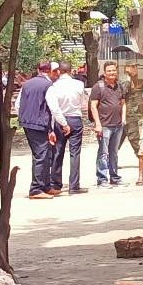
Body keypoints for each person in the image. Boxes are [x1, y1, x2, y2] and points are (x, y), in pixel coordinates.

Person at [18, 61, 59, 199]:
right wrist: (64, 124)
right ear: (50, 71)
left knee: (44, 154)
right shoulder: (48, 86)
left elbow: (18, 103)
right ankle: (36, 189)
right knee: (41, 155)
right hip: (39, 124)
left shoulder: (27, 84)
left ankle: (46, 186)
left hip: (28, 122)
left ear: (38, 69)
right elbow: (54, 108)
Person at [48, 62, 89, 193]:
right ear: (71, 71)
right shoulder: (79, 84)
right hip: (75, 118)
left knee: (58, 152)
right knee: (75, 153)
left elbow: (54, 108)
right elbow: (82, 101)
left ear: (59, 71)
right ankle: (74, 185)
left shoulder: (54, 86)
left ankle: (55, 184)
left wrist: (61, 122)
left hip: (60, 120)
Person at [89, 64, 128, 187]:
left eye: (113, 70)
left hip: (117, 125)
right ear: (104, 73)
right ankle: (102, 179)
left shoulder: (120, 86)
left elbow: (123, 103)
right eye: (109, 71)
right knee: (103, 153)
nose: (112, 72)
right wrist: (98, 124)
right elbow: (93, 106)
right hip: (104, 125)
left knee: (114, 152)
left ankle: (114, 177)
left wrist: (123, 118)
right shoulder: (98, 87)